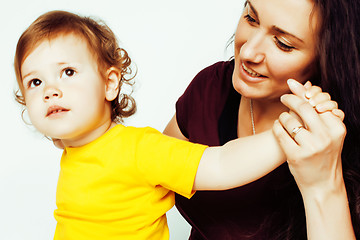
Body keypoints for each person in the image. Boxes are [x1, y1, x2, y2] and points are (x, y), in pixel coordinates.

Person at [13, 10, 338, 240]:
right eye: (35, 81)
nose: (49, 90)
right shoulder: (74, 150)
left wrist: (288, 131)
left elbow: (222, 163)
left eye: (68, 72)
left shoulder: (141, 151)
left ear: (110, 83)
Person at [164, 0, 360, 239]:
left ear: (328, 58)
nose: (246, 52)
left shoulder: (348, 143)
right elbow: (156, 173)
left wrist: (322, 186)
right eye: (251, 18)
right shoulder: (210, 88)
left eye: (283, 43)